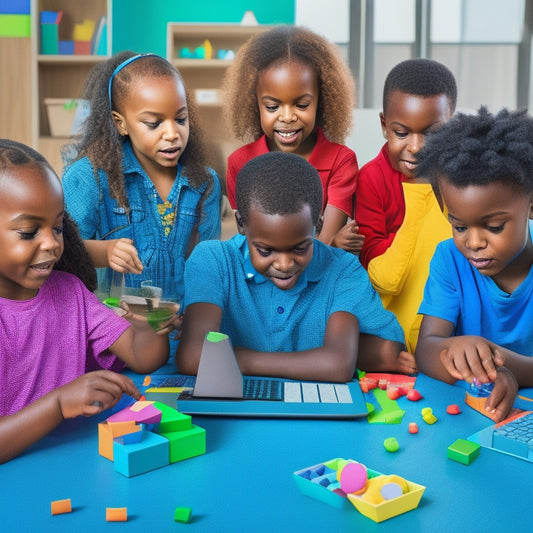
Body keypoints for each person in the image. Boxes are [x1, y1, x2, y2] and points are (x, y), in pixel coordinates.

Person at [0, 139, 169, 463]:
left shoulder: (70, 293)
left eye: (59, 227)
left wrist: (151, 326)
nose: (51, 243)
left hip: (79, 464)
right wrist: (59, 404)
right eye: (28, 232)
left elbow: (142, 357)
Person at [176, 152, 413, 382]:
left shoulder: (342, 270)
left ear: (317, 225)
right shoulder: (214, 261)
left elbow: (339, 365)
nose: (284, 264)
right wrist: (317, 359)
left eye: (299, 249)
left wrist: (232, 358)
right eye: (266, 250)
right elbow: (193, 357)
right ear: (241, 224)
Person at [62, 51, 221, 311]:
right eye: (153, 123)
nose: (172, 134)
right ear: (120, 123)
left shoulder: (204, 182)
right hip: (116, 332)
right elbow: (61, 250)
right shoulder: (88, 177)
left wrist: (196, 318)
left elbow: (208, 265)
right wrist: (106, 251)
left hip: (180, 327)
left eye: (180, 119)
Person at [415, 107, 533, 422]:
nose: (474, 243)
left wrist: (505, 368)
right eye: (460, 226)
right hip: (470, 416)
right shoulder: (450, 259)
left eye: (494, 227)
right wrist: (451, 349)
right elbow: (426, 351)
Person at [222, 26, 364, 253]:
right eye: (272, 106)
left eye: (302, 105)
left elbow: (325, 246)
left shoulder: (341, 161)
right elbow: (250, 242)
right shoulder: (239, 163)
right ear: (253, 103)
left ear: (322, 100)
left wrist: (335, 243)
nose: (287, 117)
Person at [354, 58, 457, 353]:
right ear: (385, 125)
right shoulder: (372, 179)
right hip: (391, 326)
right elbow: (383, 278)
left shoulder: (458, 177)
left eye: (432, 134)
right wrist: (418, 196)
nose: (416, 147)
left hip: (446, 325)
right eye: (402, 133)